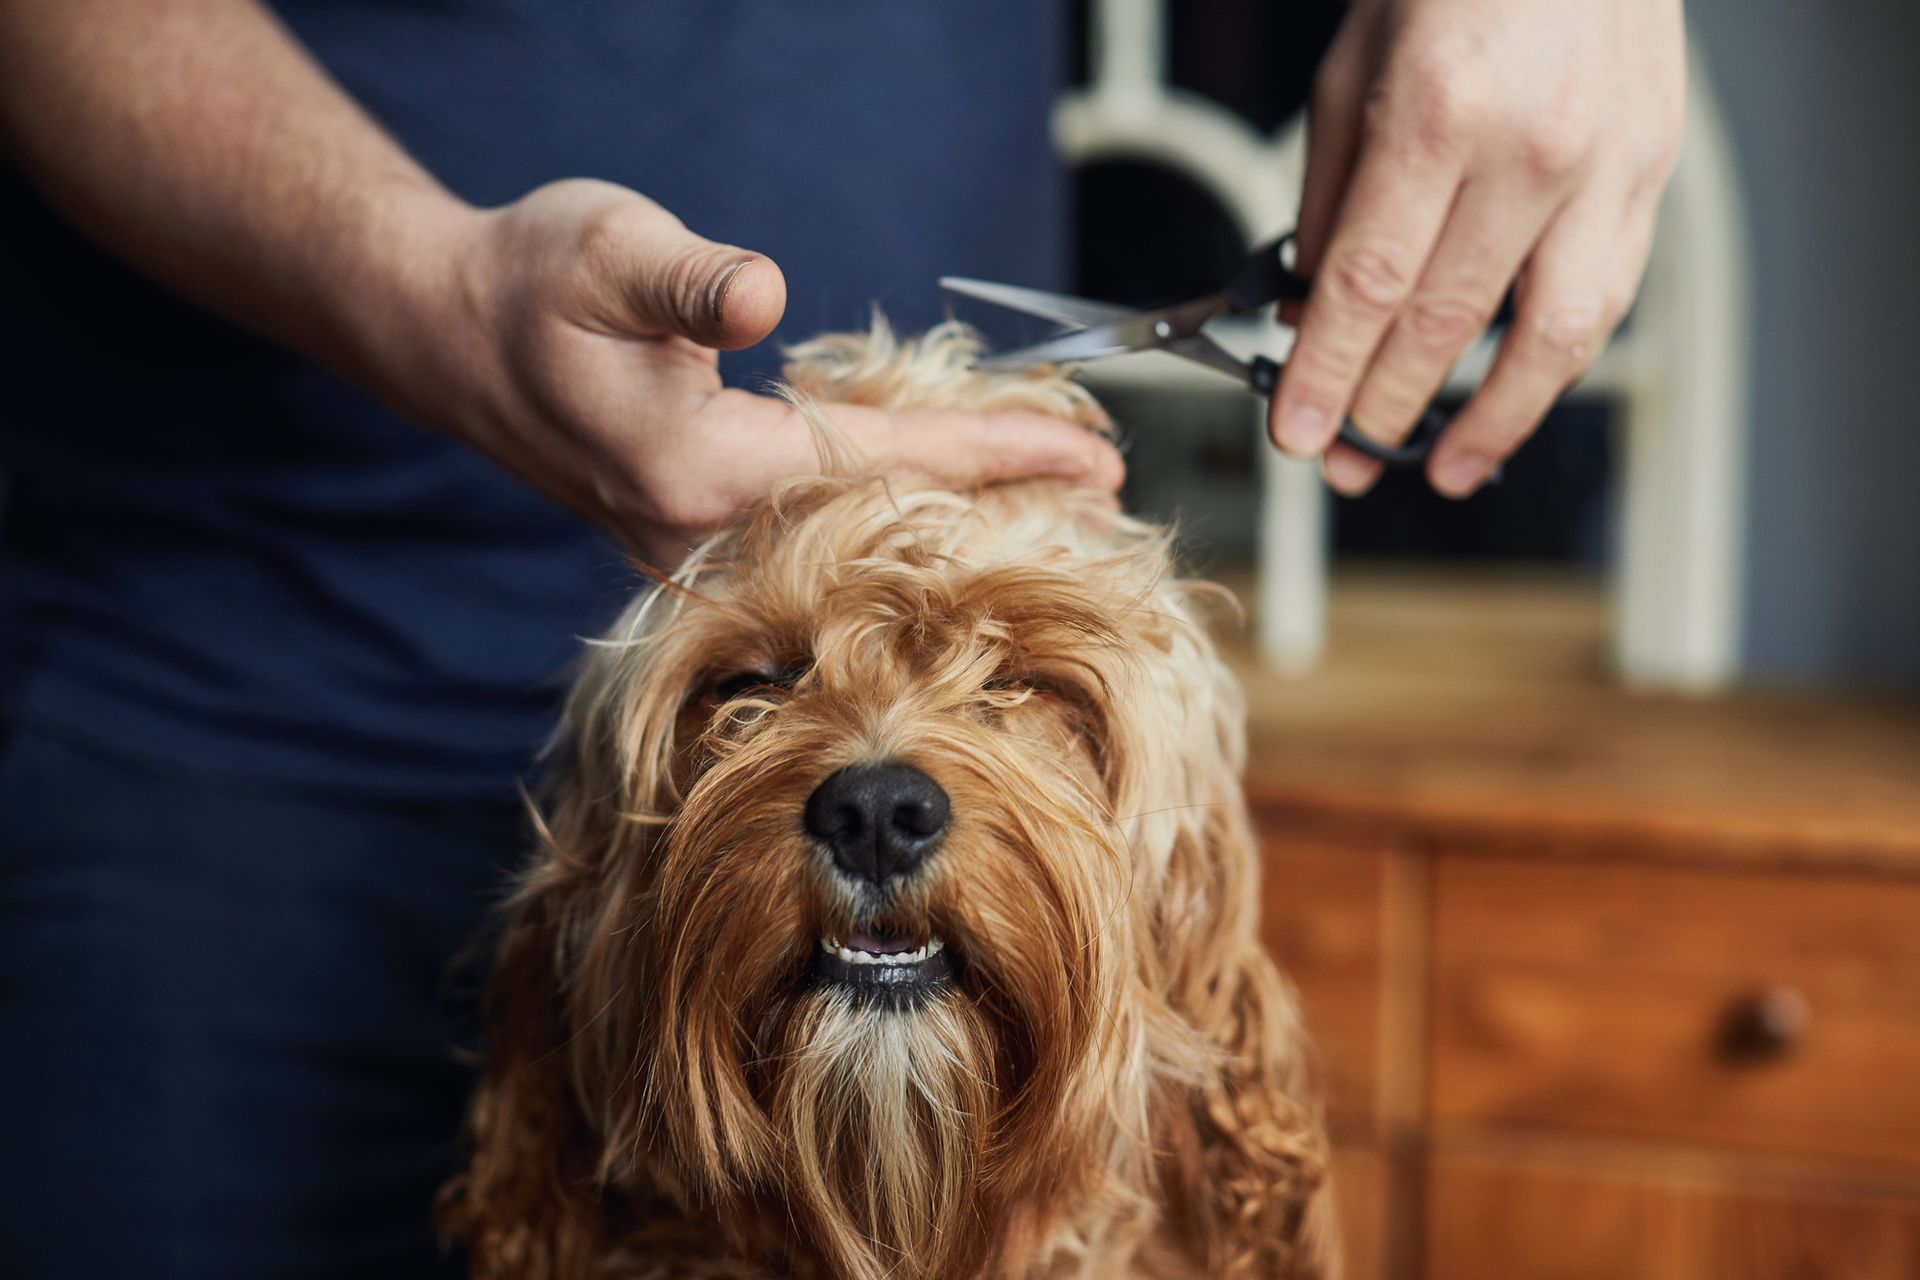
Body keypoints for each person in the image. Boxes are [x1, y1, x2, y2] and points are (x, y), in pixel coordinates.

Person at [0, 1, 1684, 1274]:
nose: (880, 776)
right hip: (228, 702)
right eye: (756, 693)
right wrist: (426, 283)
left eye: (1020, 691)